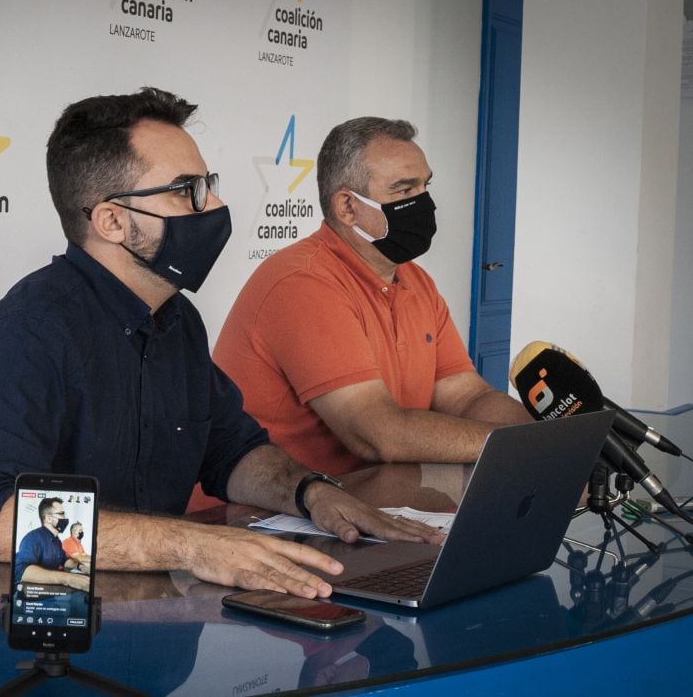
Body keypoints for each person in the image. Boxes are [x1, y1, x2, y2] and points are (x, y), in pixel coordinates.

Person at [0, 90, 441, 600]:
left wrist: (312, 494)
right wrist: (193, 546)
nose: (213, 206)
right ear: (111, 221)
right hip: (29, 646)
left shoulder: (177, 321)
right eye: (185, 191)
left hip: (147, 624)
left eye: (208, 186)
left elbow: (230, 451)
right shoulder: (23, 335)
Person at [212, 117, 531, 480]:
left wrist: (544, 441)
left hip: (368, 502)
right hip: (269, 513)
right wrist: (517, 447)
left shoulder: (415, 280)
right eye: (404, 191)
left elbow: (466, 396)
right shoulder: (302, 283)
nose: (423, 203)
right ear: (347, 207)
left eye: (425, 186)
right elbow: (377, 434)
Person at [13, 497, 89, 591]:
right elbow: (21, 571)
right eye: (61, 514)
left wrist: (81, 567)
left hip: (51, 595)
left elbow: (64, 560)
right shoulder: (33, 538)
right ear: (49, 518)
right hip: (31, 596)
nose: (65, 518)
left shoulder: (57, 541)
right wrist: (68, 579)